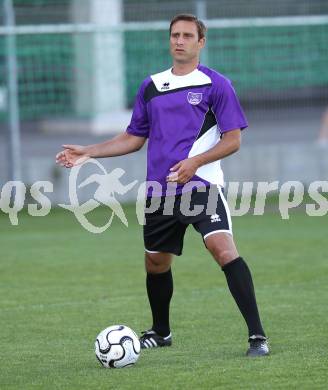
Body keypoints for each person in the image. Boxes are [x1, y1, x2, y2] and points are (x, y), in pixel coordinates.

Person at [56, 14, 269, 357]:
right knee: (156, 263)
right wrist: (89, 152)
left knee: (222, 250)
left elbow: (233, 140)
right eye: (174, 35)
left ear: (201, 42)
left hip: (202, 186)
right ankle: (161, 331)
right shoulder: (151, 85)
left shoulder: (217, 85)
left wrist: (195, 163)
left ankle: (257, 337)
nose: (179, 41)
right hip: (159, 193)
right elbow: (133, 137)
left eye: (187, 35)